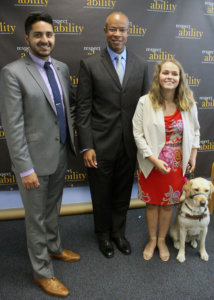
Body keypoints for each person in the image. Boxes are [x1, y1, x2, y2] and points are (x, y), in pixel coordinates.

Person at [0, 12, 80, 297]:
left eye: (49, 35)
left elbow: (66, 110)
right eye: (38, 35)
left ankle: (54, 247)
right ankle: (42, 273)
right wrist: (25, 169)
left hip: (59, 154)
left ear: (54, 37)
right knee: (35, 219)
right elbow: (13, 126)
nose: (44, 40)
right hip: (32, 162)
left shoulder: (61, 68)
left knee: (52, 210)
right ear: (27, 39)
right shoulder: (13, 72)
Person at [76, 11, 149, 258]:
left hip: (129, 144)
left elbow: (146, 108)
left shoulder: (141, 65)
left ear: (129, 32)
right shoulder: (89, 64)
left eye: (122, 29)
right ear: (105, 31)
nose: (117, 34)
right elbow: (83, 108)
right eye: (112, 29)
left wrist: (145, 146)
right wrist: (87, 146)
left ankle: (119, 234)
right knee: (101, 194)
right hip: (99, 144)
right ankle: (103, 236)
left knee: (122, 192)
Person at [132, 59, 200, 261]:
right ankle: (152, 239)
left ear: (180, 78)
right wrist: (153, 160)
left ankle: (162, 240)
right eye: (165, 73)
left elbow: (195, 131)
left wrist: (193, 155)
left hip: (176, 165)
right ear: (158, 76)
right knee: (152, 204)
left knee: (168, 204)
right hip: (150, 163)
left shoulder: (188, 102)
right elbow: (137, 134)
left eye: (174, 74)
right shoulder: (145, 101)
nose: (170, 77)